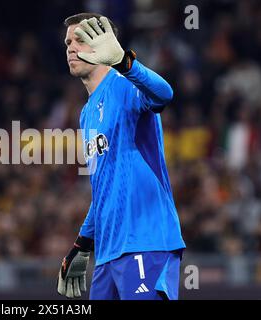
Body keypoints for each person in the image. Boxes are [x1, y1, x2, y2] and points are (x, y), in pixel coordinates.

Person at [57, 13, 186, 300]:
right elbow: (104, 188)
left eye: (80, 40)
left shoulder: (125, 84)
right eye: (67, 42)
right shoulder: (87, 113)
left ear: (105, 44)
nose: (70, 47)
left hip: (145, 240)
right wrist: (82, 245)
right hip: (108, 253)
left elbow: (164, 94)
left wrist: (124, 62)